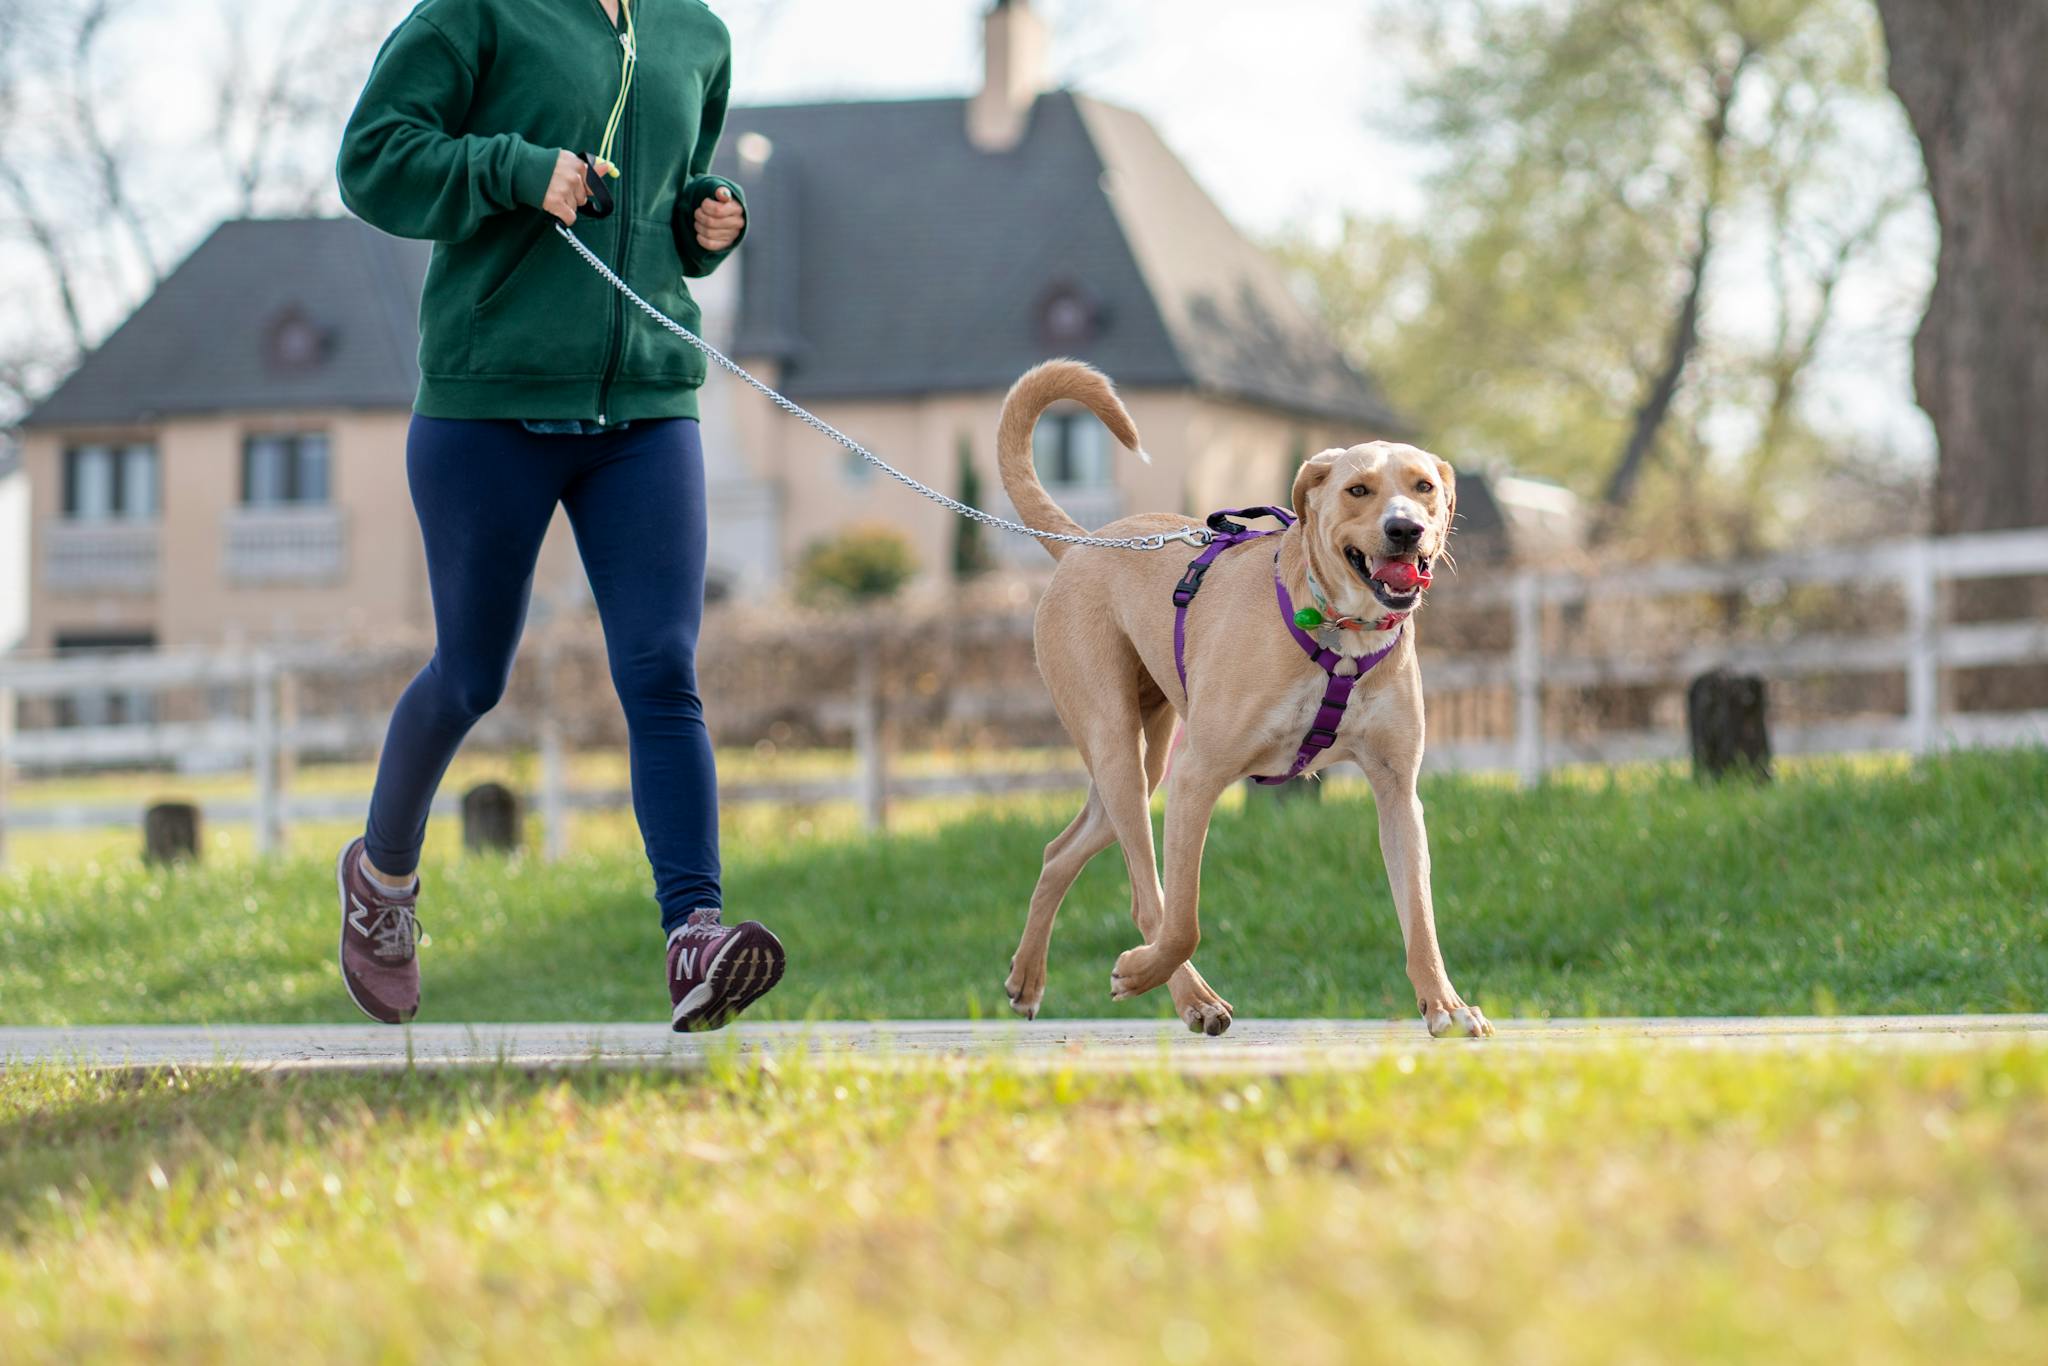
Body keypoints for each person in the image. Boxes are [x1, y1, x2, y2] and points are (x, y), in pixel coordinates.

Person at [331, 0, 782, 1030]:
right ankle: (382, 883)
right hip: (489, 401)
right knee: (470, 674)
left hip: (646, 408)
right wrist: (510, 168)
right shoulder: (476, 13)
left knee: (662, 668)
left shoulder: (695, 35)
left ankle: (694, 937)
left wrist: (706, 219)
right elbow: (372, 159)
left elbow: (660, 205)